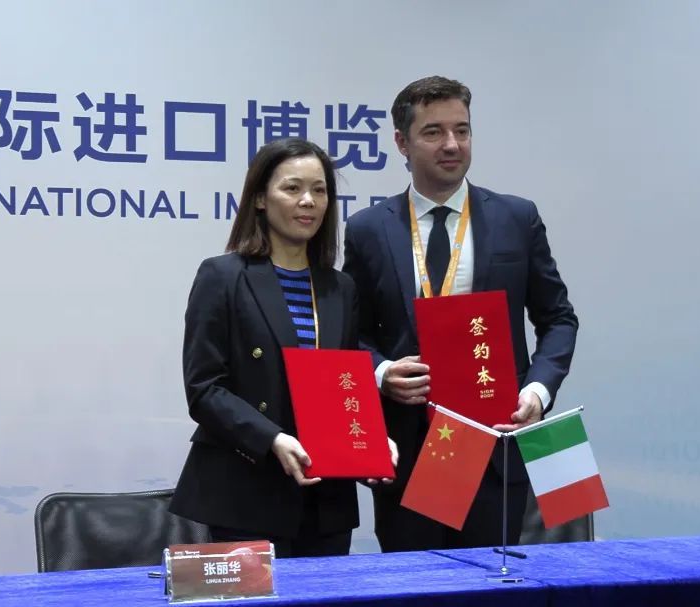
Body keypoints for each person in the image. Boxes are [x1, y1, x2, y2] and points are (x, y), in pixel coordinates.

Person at [343, 76, 579, 552]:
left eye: (462, 130)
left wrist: (537, 391)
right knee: (415, 583)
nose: (452, 144)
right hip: (409, 449)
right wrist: (382, 373)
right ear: (402, 142)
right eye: (433, 132)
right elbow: (349, 333)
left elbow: (558, 319)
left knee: (492, 579)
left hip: (494, 440)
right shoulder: (368, 229)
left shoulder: (517, 218)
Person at [170, 138, 395, 558]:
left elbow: (345, 384)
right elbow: (204, 389)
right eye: (292, 188)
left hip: (326, 500)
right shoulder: (223, 277)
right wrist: (271, 437)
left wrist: (371, 440)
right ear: (260, 198)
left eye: (319, 190)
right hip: (247, 489)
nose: (308, 201)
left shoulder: (340, 288)